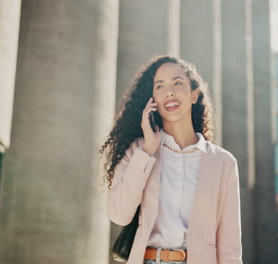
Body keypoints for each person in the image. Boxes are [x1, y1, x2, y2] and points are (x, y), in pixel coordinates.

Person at [100, 55, 242, 264]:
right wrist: (147, 150)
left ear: (194, 95)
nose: (169, 92)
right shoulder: (138, 151)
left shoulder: (223, 163)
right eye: (160, 86)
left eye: (177, 83)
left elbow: (230, 247)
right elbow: (119, 214)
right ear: (153, 100)